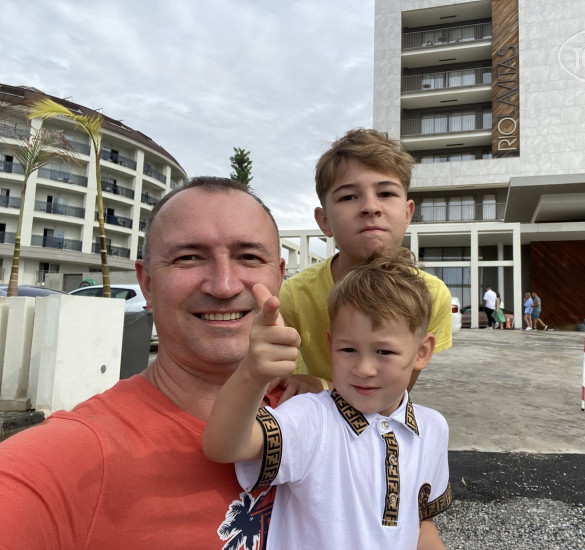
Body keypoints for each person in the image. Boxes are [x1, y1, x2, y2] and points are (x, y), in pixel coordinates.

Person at [0, 177, 286, 547]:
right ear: (147, 284)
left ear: (279, 276)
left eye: (248, 257)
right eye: (188, 258)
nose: (224, 285)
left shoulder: (321, 409)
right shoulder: (70, 460)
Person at [203, 248, 452, 550]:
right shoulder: (311, 418)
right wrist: (252, 372)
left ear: (422, 352)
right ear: (331, 345)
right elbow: (224, 446)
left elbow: (422, 523)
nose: (363, 369)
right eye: (348, 350)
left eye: (384, 351)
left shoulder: (433, 428)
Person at [278, 128, 453, 399]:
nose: (371, 207)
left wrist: (322, 387)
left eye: (386, 193)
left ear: (408, 214)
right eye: (348, 196)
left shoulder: (432, 295)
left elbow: (392, 395)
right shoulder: (294, 295)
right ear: (324, 221)